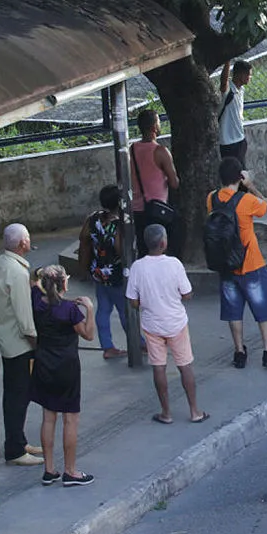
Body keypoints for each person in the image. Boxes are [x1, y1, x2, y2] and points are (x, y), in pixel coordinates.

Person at [207, 157, 267, 369]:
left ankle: (239, 351)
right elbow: (265, 206)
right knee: (261, 309)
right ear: (239, 177)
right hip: (251, 263)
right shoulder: (246, 201)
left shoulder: (211, 198)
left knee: (233, 311)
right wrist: (251, 186)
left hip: (226, 264)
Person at [126, 225, 207, 425]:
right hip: (176, 322)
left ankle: (166, 412)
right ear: (163, 243)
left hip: (152, 324)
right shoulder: (174, 264)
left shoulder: (137, 267)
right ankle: (195, 411)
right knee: (185, 365)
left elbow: (133, 302)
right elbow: (186, 294)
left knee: (159, 367)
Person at [29, 264, 95, 487]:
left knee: (49, 417)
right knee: (70, 418)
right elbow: (88, 335)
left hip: (44, 365)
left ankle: (49, 470)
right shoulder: (70, 310)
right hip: (66, 367)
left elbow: (34, 281)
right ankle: (71, 471)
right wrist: (90, 309)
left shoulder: (38, 303)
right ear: (63, 284)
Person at [0, 223, 43, 466]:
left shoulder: (0, 263)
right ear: (23, 243)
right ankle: (15, 449)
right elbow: (25, 317)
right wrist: (36, 343)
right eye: (28, 238)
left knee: (14, 394)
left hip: (5, 337)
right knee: (18, 396)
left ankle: (19, 441)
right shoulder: (18, 272)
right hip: (19, 343)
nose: (30, 241)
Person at [77, 185, 128, 359]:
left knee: (103, 309)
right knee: (125, 309)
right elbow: (120, 248)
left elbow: (83, 240)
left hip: (98, 271)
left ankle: (107, 346)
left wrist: (84, 268)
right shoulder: (119, 224)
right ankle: (138, 342)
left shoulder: (93, 219)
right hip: (115, 273)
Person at [131, 108, 180, 257]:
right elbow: (174, 183)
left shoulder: (132, 149)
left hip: (137, 208)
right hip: (157, 209)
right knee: (160, 249)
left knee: (143, 248)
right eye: (158, 122)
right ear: (154, 128)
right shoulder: (160, 151)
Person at [219, 59, 252, 168]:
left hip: (240, 139)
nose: (249, 78)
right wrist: (227, 60)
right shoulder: (228, 89)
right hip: (228, 142)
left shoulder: (241, 89)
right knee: (234, 176)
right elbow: (223, 81)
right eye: (248, 75)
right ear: (240, 75)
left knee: (242, 173)